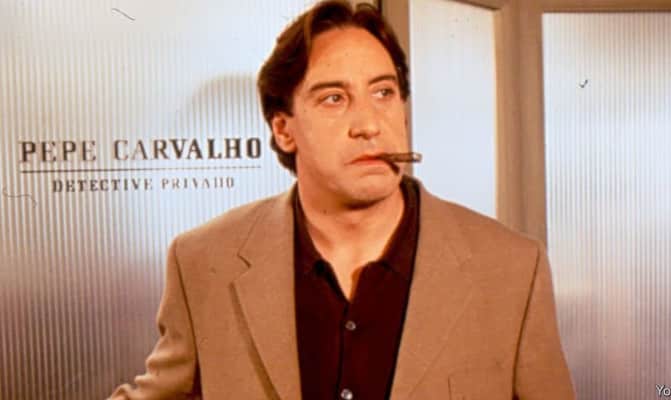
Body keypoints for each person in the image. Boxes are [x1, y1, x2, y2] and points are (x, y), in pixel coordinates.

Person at [109, 1, 575, 399]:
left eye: (384, 92)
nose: (369, 125)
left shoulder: (512, 269)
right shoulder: (203, 262)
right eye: (334, 98)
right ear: (283, 129)